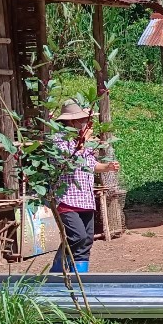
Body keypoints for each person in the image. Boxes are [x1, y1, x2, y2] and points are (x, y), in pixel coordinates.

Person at [49, 99, 119, 274]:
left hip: (85, 199)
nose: (87, 124)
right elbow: (68, 162)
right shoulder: (58, 141)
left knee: (86, 240)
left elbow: (90, 165)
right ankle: (57, 271)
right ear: (72, 122)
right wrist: (83, 141)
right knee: (77, 236)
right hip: (67, 199)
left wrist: (107, 167)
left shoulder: (84, 143)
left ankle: (80, 277)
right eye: (84, 120)